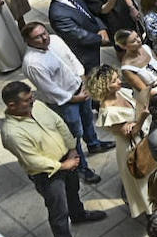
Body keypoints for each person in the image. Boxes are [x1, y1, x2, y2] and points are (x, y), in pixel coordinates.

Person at [0, 81, 106, 237]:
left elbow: (59, 124)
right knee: (58, 209)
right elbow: (32, 160)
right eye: (27, 100)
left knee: (73, 191)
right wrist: (62, 166)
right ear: (12, 105)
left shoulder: (38, 106)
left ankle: (78, 215)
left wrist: (72, 148)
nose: (33, 100)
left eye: (31, 96)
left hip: (67, 158)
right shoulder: (11, 133)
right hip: (47, 174)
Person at [21, 19, 107, 178]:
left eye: (44, 33)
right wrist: (75, 98)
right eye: (38, 37)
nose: (45, 38)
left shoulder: (55, 40)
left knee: (88, 120)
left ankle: (94, 144)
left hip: (80, 89)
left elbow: (71, 59)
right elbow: (50, 89)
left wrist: (84, 81)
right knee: (73, 135)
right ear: (28, 41)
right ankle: (80, 166)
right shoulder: (32, 63)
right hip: (66, 102)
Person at [84, 64, 150, 218]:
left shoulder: (122, 93)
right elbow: (129, 134)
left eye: (117, 77)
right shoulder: (108, 111)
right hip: (131, 147)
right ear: (105, 87)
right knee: (143, 178)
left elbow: (137, 107)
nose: (119, 81)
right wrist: (141, 119)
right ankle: (151, 211)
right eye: (114, 81)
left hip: (143, 137)